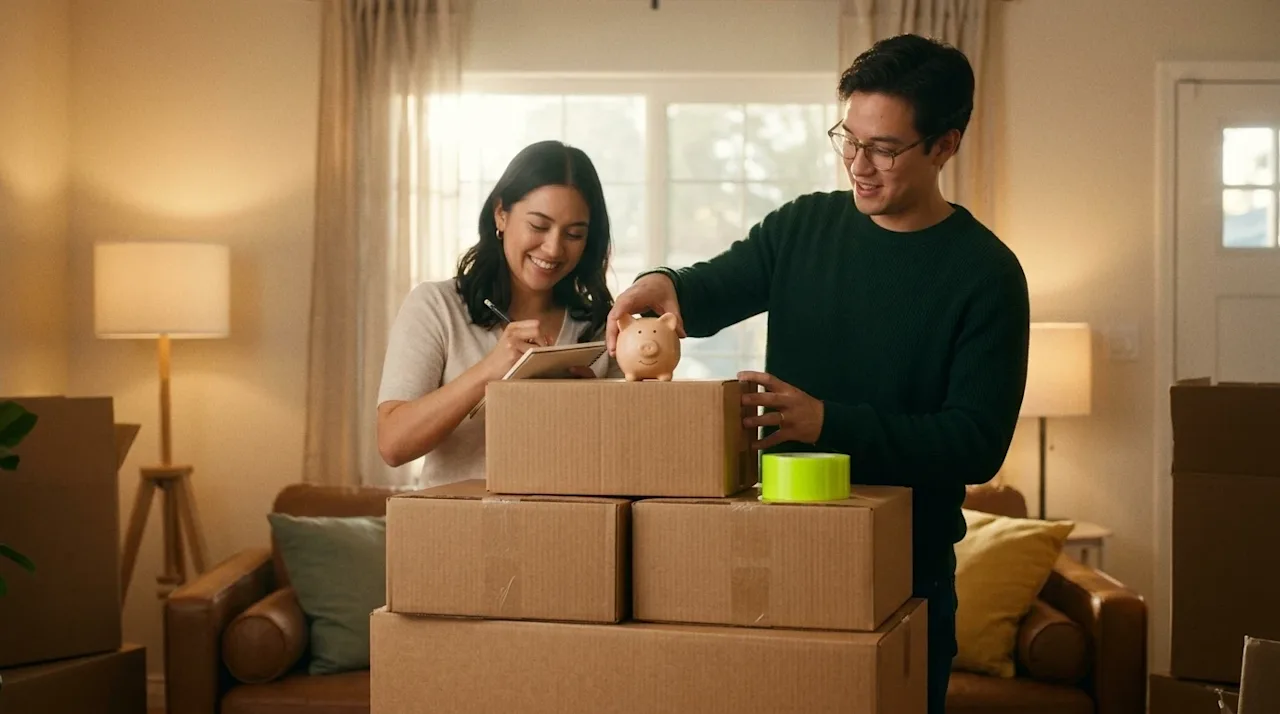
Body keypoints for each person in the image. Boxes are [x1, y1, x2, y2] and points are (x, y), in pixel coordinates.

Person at [605, 34, 1029, 714]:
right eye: (848, 139)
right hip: (782, 559)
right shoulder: (804, 227)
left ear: (945, 146)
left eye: (883, 148)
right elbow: (710, 287)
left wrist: (826, 422)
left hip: (906, 577)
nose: (858, 165)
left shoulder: (988, 275)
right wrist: (662, 282)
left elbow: (976, 444)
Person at [377, 140, 617, 487]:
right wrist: (490, 370)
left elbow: (626, 458)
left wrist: (592, 410)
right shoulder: (436, 306)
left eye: (574, 234)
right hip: (455, 519)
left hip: (566, 518)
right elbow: (393, 444)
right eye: (538, 226)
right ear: (501, 214)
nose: (553, 248)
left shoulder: (600, 328)